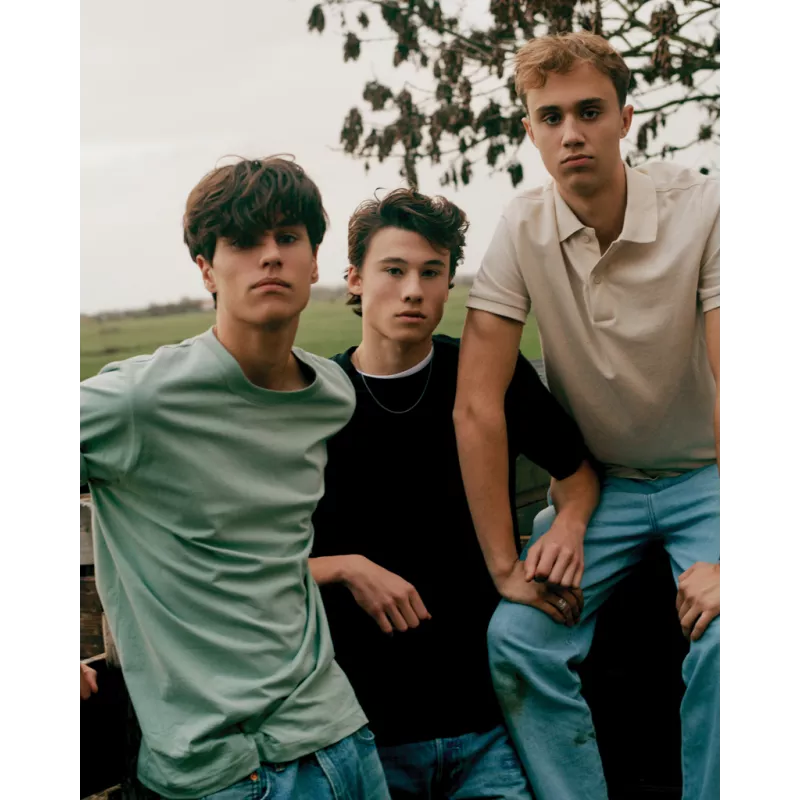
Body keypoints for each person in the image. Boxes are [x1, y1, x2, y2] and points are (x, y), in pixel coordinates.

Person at [453, 32, 720, 800]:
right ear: (530, 131)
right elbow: (476, 404)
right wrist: (504, 566)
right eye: (551, 117)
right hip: (607, 490)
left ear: (626, 118)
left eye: (590, 111)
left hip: (713, 476)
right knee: (516, 642)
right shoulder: (522, 227)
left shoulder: (704, 207)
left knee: (734, 635)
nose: (571, 132)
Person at [80, 157, 389, 800]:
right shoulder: (140, 402)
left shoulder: (331, 393)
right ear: (206, 270)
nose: (270, 256)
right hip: (222, 767)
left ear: (314, 262)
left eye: (288, 237)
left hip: (341, 734)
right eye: (244, 242)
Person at [309, 188, 600, 799]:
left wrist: (566, 526)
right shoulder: (316, 404)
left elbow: (577, 477)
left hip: (487, 731)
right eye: (393, 270)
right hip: (371, 742)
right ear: (355, 279)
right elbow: (261, 561)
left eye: (431, 272)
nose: (413, 290)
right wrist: (346, 567)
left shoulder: (487, 378)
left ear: (448, 285)